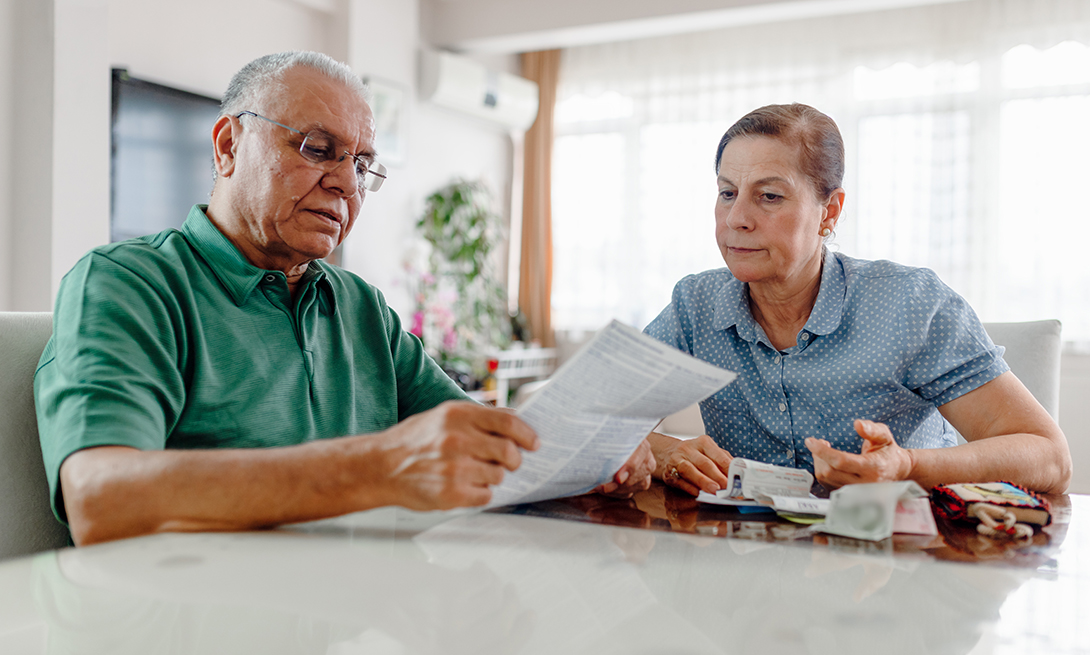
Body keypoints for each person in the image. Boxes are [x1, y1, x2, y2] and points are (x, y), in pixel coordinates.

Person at [34, 51, 653, 547]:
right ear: (227, 146)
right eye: (317, 149)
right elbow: (101, 500)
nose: (345, 182)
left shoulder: (359, 305)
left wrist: (596, 449)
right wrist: (379, 467)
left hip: (352, 610)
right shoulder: (131, 284)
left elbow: (477, 444)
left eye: (363, 164)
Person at [643, 103, 1071, 497]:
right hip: (748, 559)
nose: (737, 219)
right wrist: (663, 453)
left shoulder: (910, 303)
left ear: (829, 212)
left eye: (769, 196)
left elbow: (1049, 457)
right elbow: (585, 422)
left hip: (899, 558)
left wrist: (905, 465)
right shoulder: (695, 304)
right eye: (727, 193)